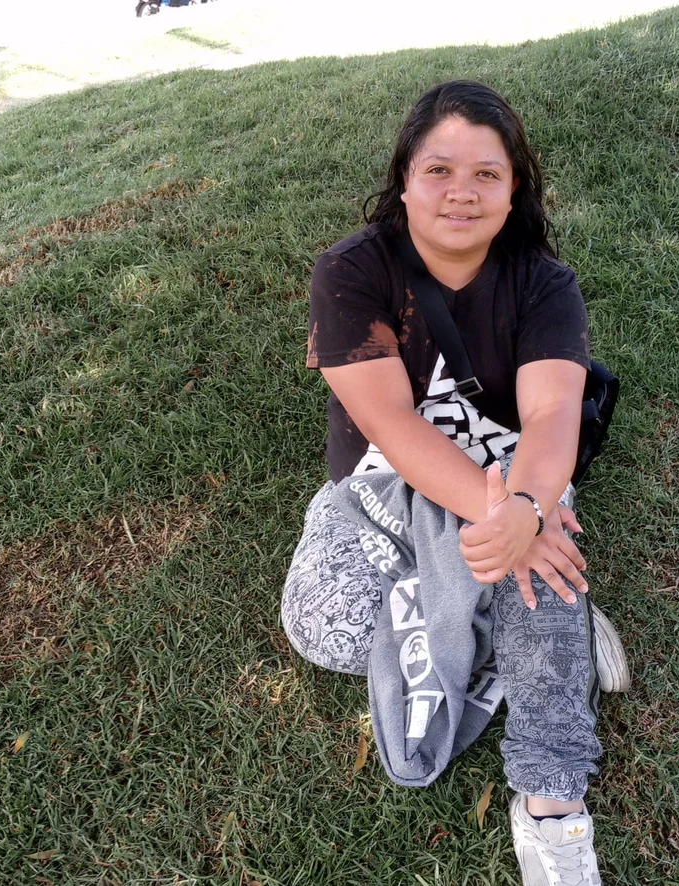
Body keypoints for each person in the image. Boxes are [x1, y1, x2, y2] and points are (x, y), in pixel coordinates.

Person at [282, 80, 628, 886]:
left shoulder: (543, 283)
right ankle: (540, 636)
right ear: (404, 180)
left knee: (536, 567)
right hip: (384, 487)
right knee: (323, 627)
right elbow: (390, 424)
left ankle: (552, 803)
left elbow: (551, 418)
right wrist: (506, 521)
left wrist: (525, 508)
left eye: (486, 174)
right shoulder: (351, 271)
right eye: (438, 170)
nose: (461, 192)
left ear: (514, 191)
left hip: (517, 475)